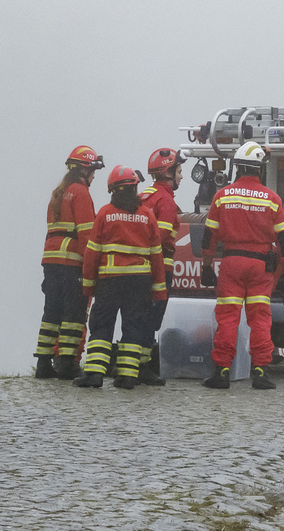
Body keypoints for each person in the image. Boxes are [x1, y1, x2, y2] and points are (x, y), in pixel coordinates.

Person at [199, 142, 284, 390]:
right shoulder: (273, 199)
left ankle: (222, 371)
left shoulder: (222, 196)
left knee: (228, 318)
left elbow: (209, 237)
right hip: (261, 265)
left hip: (231, 263)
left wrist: (206, 266)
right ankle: (261, 372)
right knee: (260, 318)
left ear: (238, 168)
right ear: (260, 170)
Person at [74, 165, 168, 390]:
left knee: (102, 326)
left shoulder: (105, 214)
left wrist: (88, 286)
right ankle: (127, 377)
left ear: (113, 191)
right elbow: (157, 256)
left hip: (109, 282)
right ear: (135, 189)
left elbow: (92, 253)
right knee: (134, 326)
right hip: (139, 283)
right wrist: (159, 290)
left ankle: (95, 374)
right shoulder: (147, 216)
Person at [33, 145, 104, 379]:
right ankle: (67, 364)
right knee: (73, 316)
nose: (94, 175)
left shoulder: (57, 192)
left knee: (51, 314)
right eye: (93, 170)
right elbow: (86, 235)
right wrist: (91, 267)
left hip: (51, 262)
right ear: (84, 170)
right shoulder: (81, 193)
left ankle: (43, 364)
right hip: (72, 263)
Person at [137, 147, 185, 386]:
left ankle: (132, 362)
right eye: (178, 171)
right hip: (159, 268)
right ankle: (144, 366)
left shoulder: (146, 195)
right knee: (152, 318)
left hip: (139, 267)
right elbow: (163, 236)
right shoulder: (165, 200)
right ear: (167, 172)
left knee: (138, 316)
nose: (181, 177)